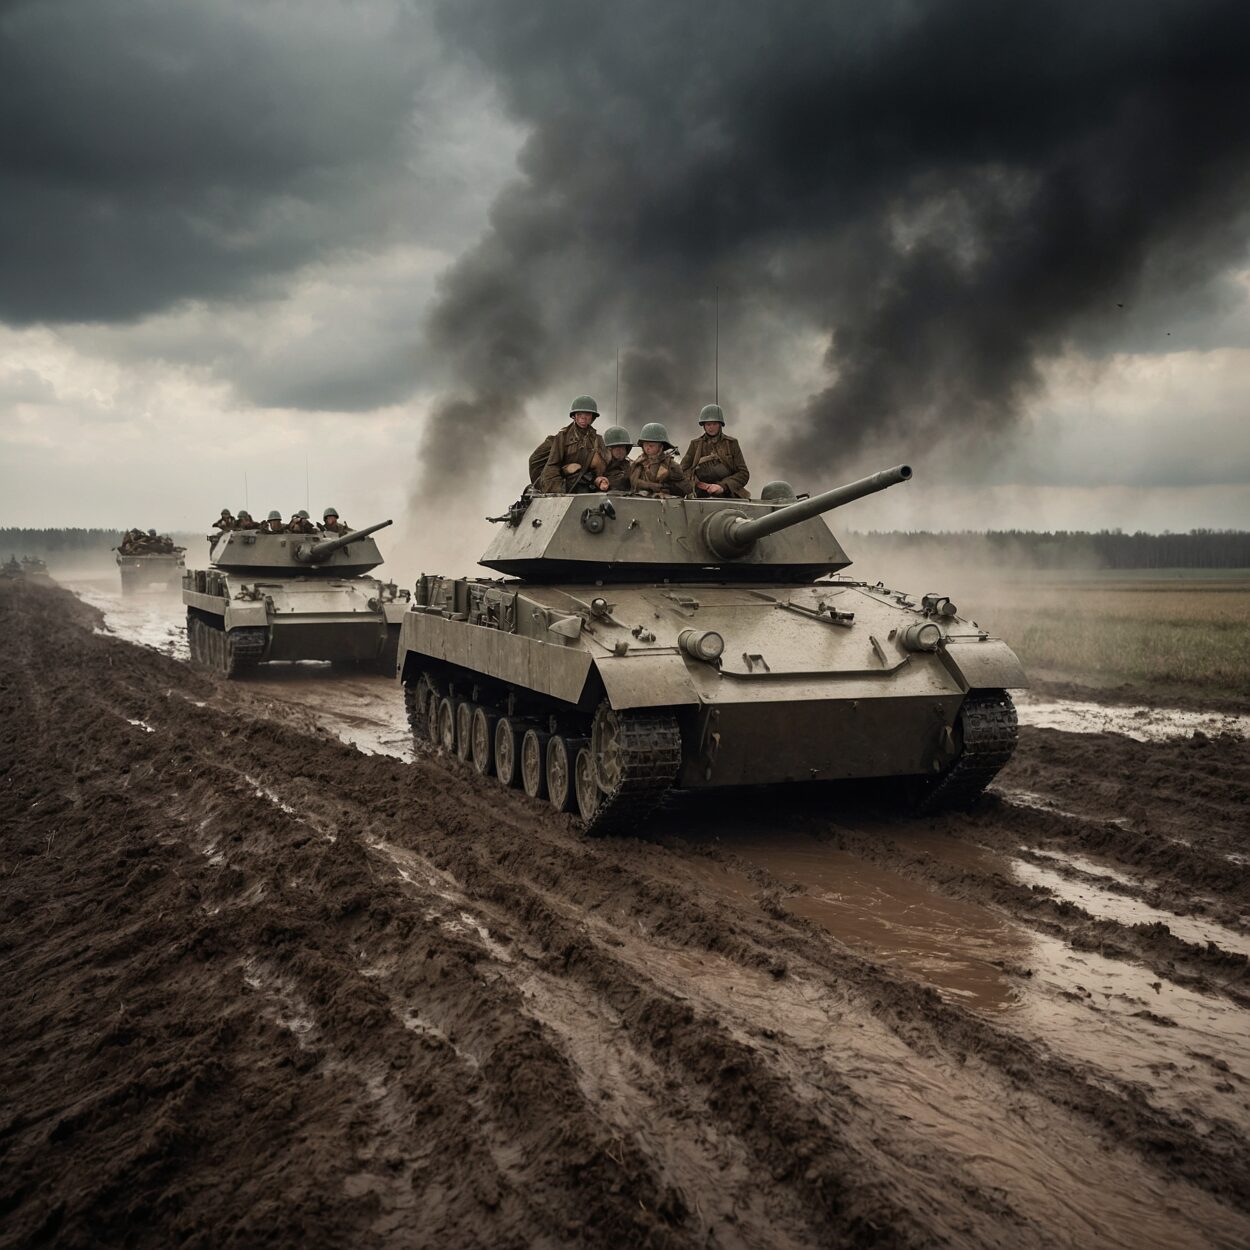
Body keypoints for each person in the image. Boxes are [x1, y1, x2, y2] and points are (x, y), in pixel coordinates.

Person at [538, 395, 609, 494]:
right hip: (567, 485)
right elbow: (552, 467)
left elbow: (605, 468)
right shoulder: (563, 436)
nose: (583, 418)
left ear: (592, 417)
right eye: (580, 414)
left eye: (587, 414)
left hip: (589, 487)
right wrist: (560, 489)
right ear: (574, 416)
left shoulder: (598, 440)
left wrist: (600, 479)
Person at [680, 404, 750, 498]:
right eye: (708, 424)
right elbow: (682, 471)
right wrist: (697, 483)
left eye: (715, 424)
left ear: (720, 424)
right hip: (700, 495)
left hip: (728, 494)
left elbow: (743, 474)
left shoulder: (731, 443)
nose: (711, 427)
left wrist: (722, 486)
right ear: (704, 425)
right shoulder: (695, 445)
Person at [628, 423, 692, 497]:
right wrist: (649, 485)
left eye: (651, 445)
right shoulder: (638, 463)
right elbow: (632, 483)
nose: (647, 448)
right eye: (645, 445)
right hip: (639, 500)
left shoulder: (671, 465)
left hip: (664, 503)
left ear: (661, 447)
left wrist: (667, 488)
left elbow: (686, 489)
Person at [601, 426, 634, 491]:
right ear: (609, 449)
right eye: (617, 448)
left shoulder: (632, 466)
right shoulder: (601, 467)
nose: (621, 451)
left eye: (623, 447)